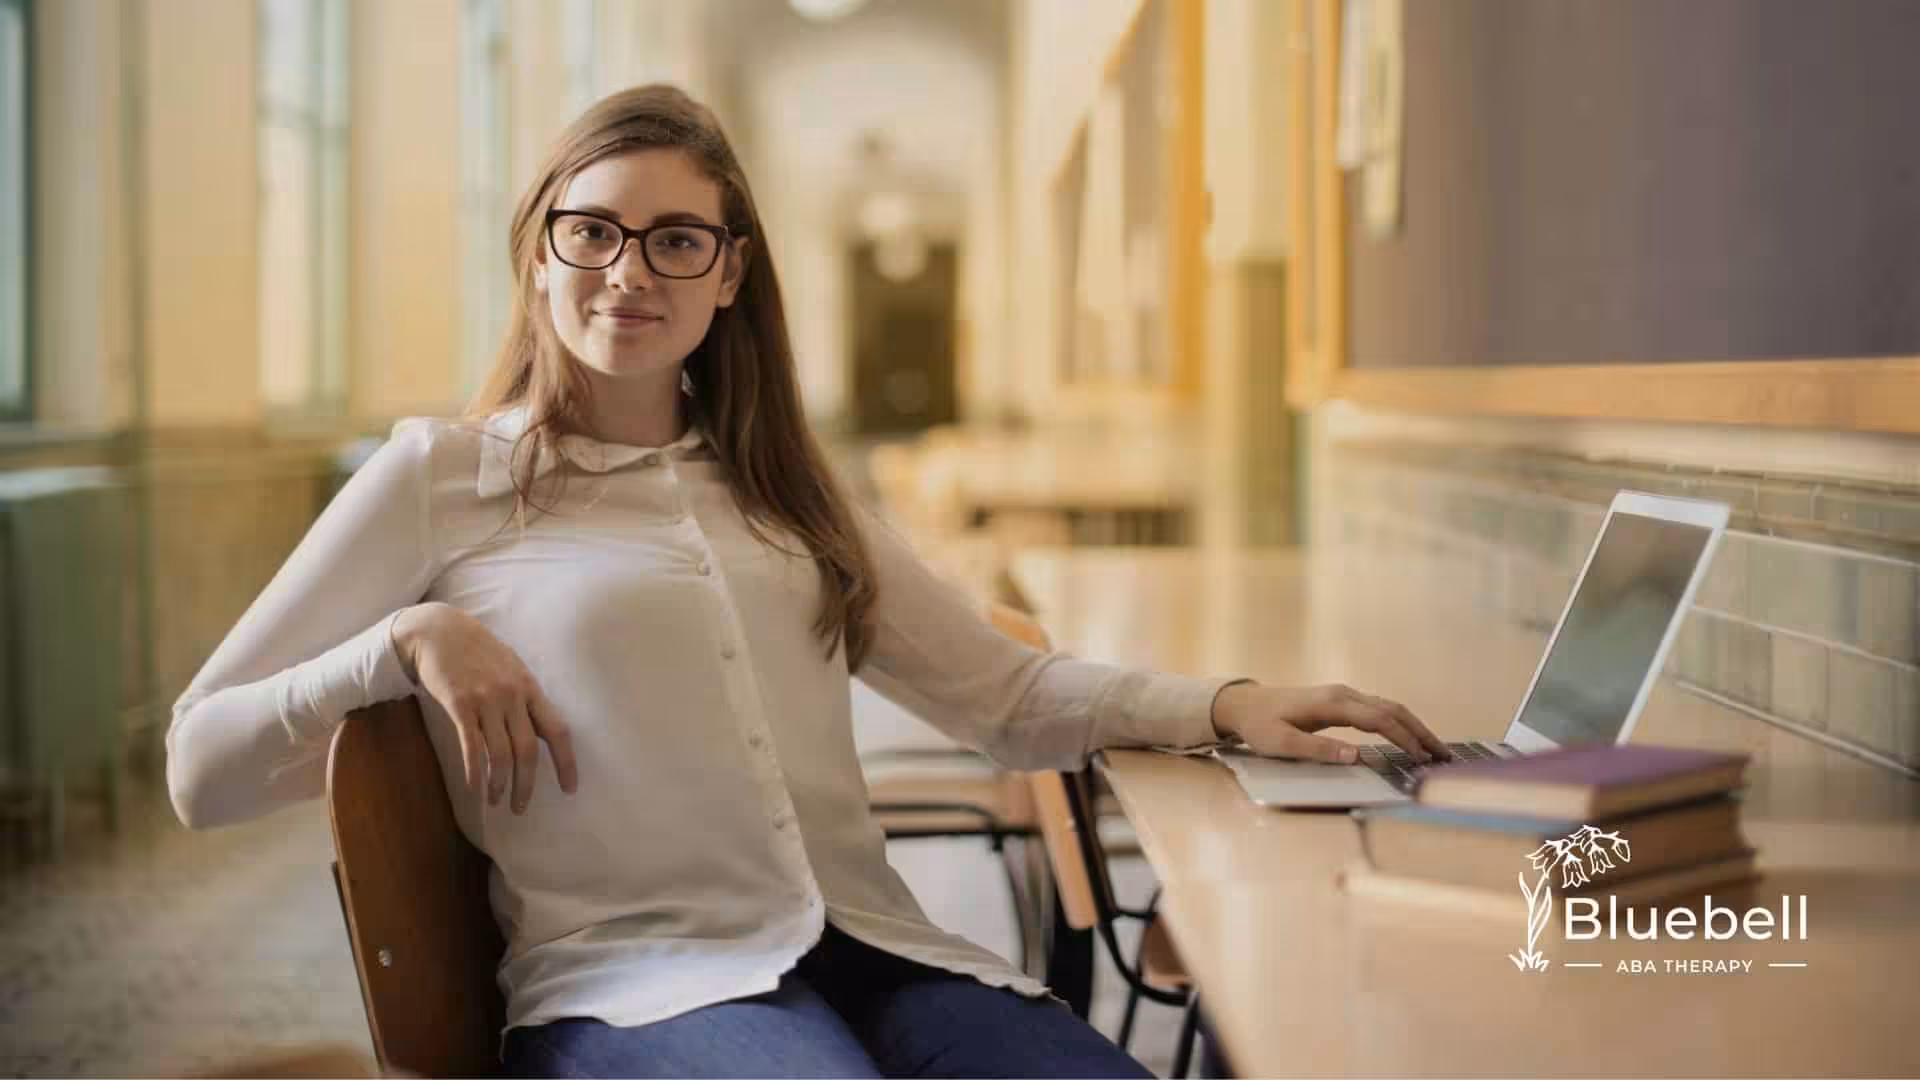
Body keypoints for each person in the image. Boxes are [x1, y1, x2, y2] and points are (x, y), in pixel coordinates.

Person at [165, 84, 1449, 1079]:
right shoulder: (440, 478)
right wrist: (404, 641)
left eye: (676, 241)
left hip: (882, 952)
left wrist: (1224, 706)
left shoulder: (785, 482)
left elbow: (1005, 694)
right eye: (593, 232)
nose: (629, 272)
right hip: (638, 988)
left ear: (729, 276)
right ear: (539, 255)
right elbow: (200, 767)